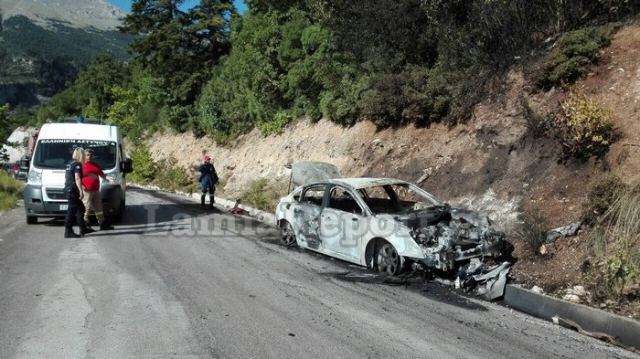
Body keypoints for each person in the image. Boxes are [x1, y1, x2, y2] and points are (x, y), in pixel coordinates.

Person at [82, 148, 114, 231]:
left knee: (99, 208)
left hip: (96, 189)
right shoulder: (81, 165)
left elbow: (102, 174)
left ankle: (102, 224)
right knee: (86, 208)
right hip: (86, 190)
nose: (89, 157)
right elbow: (77, 178)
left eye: (91, 155)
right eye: (88, 155)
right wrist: (81, 186)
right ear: (84, 156)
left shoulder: (95, 165)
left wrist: (108, 178)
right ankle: (85, 225)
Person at [64, 147, 92, 238]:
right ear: (82, 155)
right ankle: (68, 231)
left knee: (81, 208)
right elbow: (77, 178)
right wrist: (81, 191)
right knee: (71, 211)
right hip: (73, 190)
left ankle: (83, 228)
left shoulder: (70, 163)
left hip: (68, 188)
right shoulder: (77, 165)